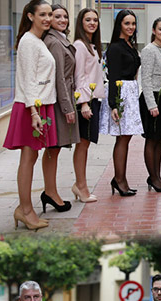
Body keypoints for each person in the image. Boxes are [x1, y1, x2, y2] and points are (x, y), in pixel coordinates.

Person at [2, 0, 56, 232]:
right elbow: (26, 79)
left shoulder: (37, 41)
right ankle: (25, 210)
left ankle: (24, 209)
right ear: (30, 16)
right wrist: (34, 112)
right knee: (28, 158)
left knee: (31, 157)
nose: (47, 18)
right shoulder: (28, 41)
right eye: (42, 14)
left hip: (38, 104)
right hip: (30, 107)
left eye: (50, 14)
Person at [99, 8, 142, 196]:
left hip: (131, 91)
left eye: (133, 23)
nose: (131, 27)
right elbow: (114, 76)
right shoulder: (116, 47)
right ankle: (119, 179)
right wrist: (114, 104)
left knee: (127, 137)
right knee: (122, 137)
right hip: (121, 92)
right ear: (119, 25)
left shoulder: (130, 44)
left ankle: (121, 178)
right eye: (127, 23)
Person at [41, 5, 78, 213]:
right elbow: (59, 79)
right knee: (52, 148)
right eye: (57, 16)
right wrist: (67, 107)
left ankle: (50, 191)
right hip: (57, 102)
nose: (63, 19)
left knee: (53, 149)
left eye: (65, 16)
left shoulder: (60, 39)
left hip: (60, 99)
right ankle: (50, 192)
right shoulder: (54, 42)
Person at [72, 7, 104, 203]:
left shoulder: (92, 46)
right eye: (88, 20)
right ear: (81, 23)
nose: (92, 23)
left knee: (86, 144)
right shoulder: (79, 46)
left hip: (94, 99)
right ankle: (80, 186)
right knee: (82, 144)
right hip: (86, 101)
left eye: (95, 20)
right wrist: (84, 103)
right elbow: (79, 77)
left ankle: (80, 185)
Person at [140, 17, 161, 193]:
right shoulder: (149, 50)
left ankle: (157, 176)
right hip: (152, 98)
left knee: (160, 139)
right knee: (152, 138)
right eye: (160, 29)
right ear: (154, 30)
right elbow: (145, 78)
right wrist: (151, 105)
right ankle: (153, 177)